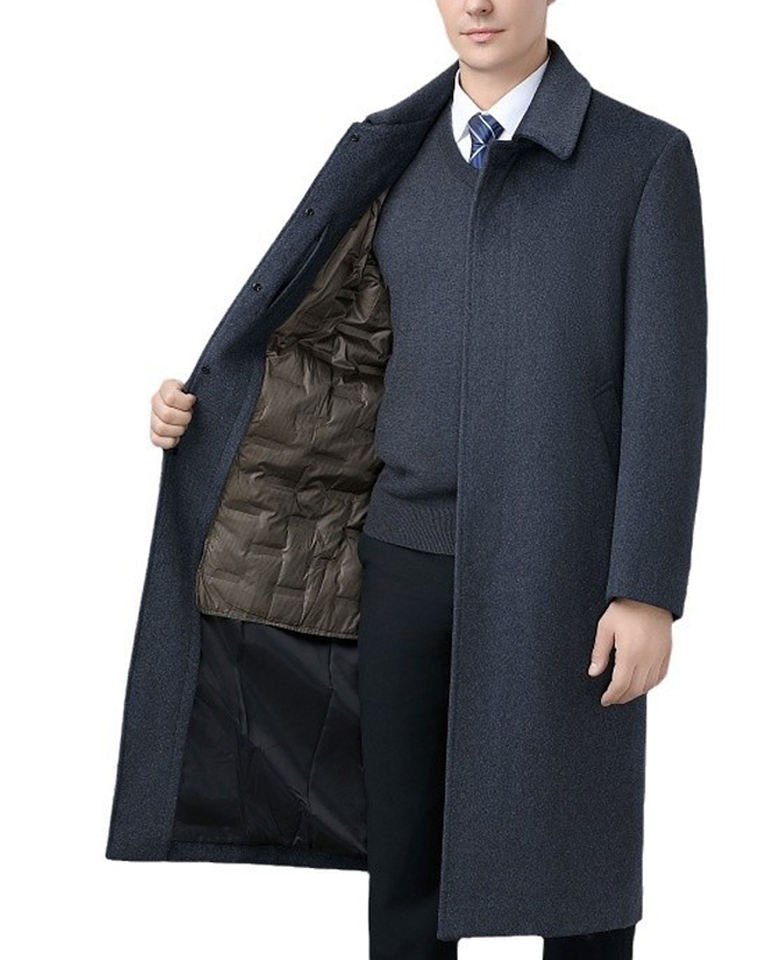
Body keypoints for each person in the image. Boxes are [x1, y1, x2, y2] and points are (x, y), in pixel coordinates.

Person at [142, 2, 706, 957]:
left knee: (581, 882)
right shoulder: (390, 153)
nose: (477, 4)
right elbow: (324, 344)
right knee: (405, 876)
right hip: (400, 563)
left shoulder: (641, 160)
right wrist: (203, 407)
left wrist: (646, 587)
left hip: (565, 572)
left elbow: (668, 389)